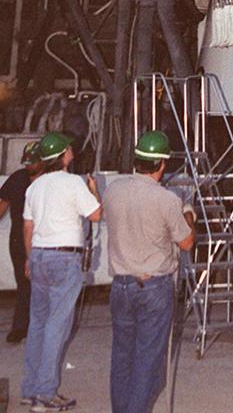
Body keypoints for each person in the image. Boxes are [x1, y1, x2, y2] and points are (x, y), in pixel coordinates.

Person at [102, 130, 194, 413]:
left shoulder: (113, 190)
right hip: (154, 288)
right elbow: (187, 242)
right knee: (148, 361)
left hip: (121, 286)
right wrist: (188, 213)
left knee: (122, 357)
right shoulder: (167, 200)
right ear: (162, 164)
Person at [21, 132, 101, 412]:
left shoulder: (35, 186)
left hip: (40, 256)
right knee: (57, 325)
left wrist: (30, 259)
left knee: (39, 323)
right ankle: (45, 393)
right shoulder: (73, 183)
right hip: (64, 259)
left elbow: (28, 227)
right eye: (69, 148)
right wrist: (93, 188)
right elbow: (95, 215)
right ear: (63, 155)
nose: (72, 151)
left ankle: (30, 389)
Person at [0, 141, 43, 344]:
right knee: (24, 284)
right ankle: (20, 327)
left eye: (32, 162)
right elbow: (2, 205)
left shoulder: (50, 181)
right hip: (19, 238)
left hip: (45, 237)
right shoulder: (17, 178)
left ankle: (38, 327)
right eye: (27, 162)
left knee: (43, 284)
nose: (29, 166)